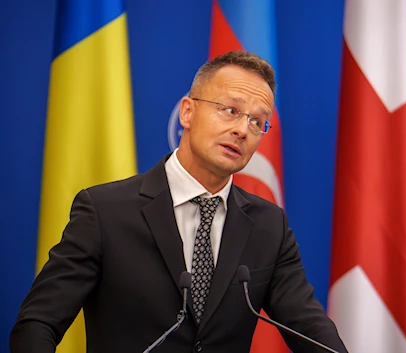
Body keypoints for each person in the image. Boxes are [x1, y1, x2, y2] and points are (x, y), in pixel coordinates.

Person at [10, 50, 348, 353]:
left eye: (257, 122)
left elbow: (310, 329)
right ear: (187, 112)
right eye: (230, 110)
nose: (243, 130)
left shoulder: (269, 226)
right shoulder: (105, 211)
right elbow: (38, 323)